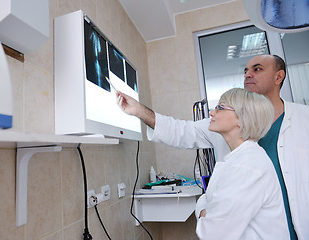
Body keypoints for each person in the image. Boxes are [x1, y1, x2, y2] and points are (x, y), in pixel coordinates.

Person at [116, 54, 309, 239]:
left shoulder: (303, 118)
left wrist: (203, 207)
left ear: (279, 76)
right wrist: (139, 110)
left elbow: (212, 230)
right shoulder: (227, 129)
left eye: (257, 69)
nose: (248, 74)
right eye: (245, 70)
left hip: (295, 222)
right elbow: (181, 131)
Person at [195, 88, 289, 239]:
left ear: (242, 118)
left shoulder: (247, 165)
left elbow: (212, 234)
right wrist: (206, 210)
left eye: (220, 108)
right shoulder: (239, 158)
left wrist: (202, 210)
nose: (212, 113)